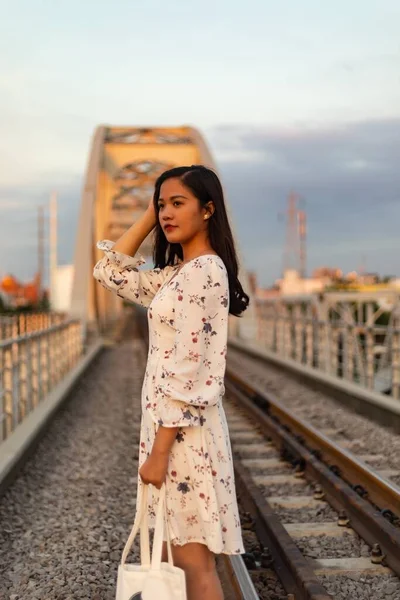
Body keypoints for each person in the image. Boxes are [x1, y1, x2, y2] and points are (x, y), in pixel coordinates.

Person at [93, 165, 249, 600]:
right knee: (166, 557)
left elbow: (191, 373)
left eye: (178, 204)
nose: (166, 213)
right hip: (169, 432)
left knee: (193, 565)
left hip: (183, 438)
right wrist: (148, 213)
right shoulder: (178, 274)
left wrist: (159, 453)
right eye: (162, 204)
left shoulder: (204, 273)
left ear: (208, 210)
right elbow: (110, 273)